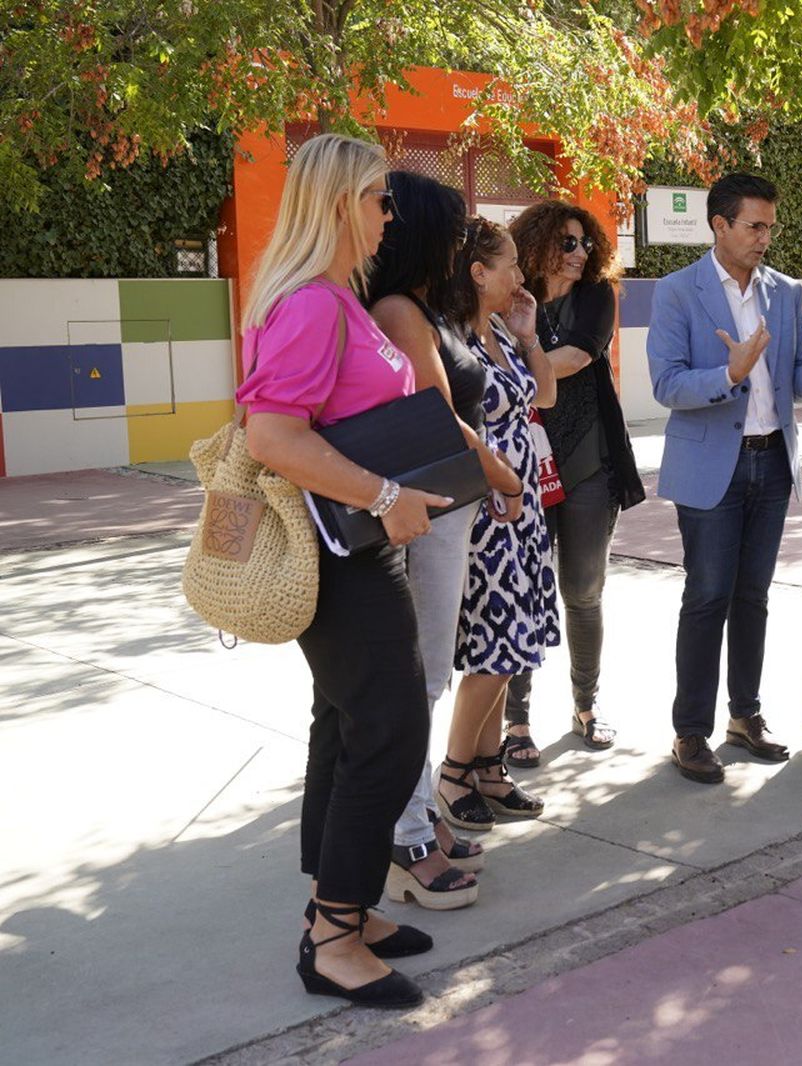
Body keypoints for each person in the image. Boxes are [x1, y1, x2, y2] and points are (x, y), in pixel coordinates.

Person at [239, 133, 450, 1008]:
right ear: (337, 204)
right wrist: (387, 492)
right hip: (339, 555)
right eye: (376, 199)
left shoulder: (336, 299)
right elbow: (273, 437)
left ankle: (341, 910)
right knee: (391, 729)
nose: (387, 215)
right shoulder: (312, 307)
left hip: (356, 547)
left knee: (350, 724)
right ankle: (333, 936)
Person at [646, 172, 802, 784]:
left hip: (772, 462)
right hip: (711, 466)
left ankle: (745, 716)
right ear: (720, 226)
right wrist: (727, 374)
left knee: (753, 598)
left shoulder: (784, 293)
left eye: (770, 226)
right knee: (707, 598)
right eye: (754, 226)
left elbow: (797, 389)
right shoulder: (678, 292)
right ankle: (690, 732)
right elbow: (666, 384)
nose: (765, 237)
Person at [367, 172, 522, 908]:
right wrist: (502, 476)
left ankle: (418, 814)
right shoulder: (399, 309)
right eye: (453, 230)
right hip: (427, 511)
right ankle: (406, 833)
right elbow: (440, 415)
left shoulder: (422, 308)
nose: (461, 245)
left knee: (427, 673)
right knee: (422, 677)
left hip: (441, 511)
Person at [499, 201, 646, 767]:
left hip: (587, 465)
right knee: (523, 593)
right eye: (567, 243)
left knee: (582, 593)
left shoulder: (596, 297)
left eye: (586, 243)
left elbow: (574, 358)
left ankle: (586, 704)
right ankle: (516, 718)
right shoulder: (511, 299)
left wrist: (521, 352)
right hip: (520, 467)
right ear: (537, 246)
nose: (581, 253)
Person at [433, 217, 560, 831]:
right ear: (477, 273)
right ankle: (455, 770)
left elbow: (548, 396)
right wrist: (499, 483)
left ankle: (487, 766)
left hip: (522, 504)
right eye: (508, 265)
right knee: (493, 645)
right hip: (487, 507)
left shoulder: (500, 335)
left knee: (513, 644)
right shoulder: (450, 340)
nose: (519, 276)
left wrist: (528, 334)